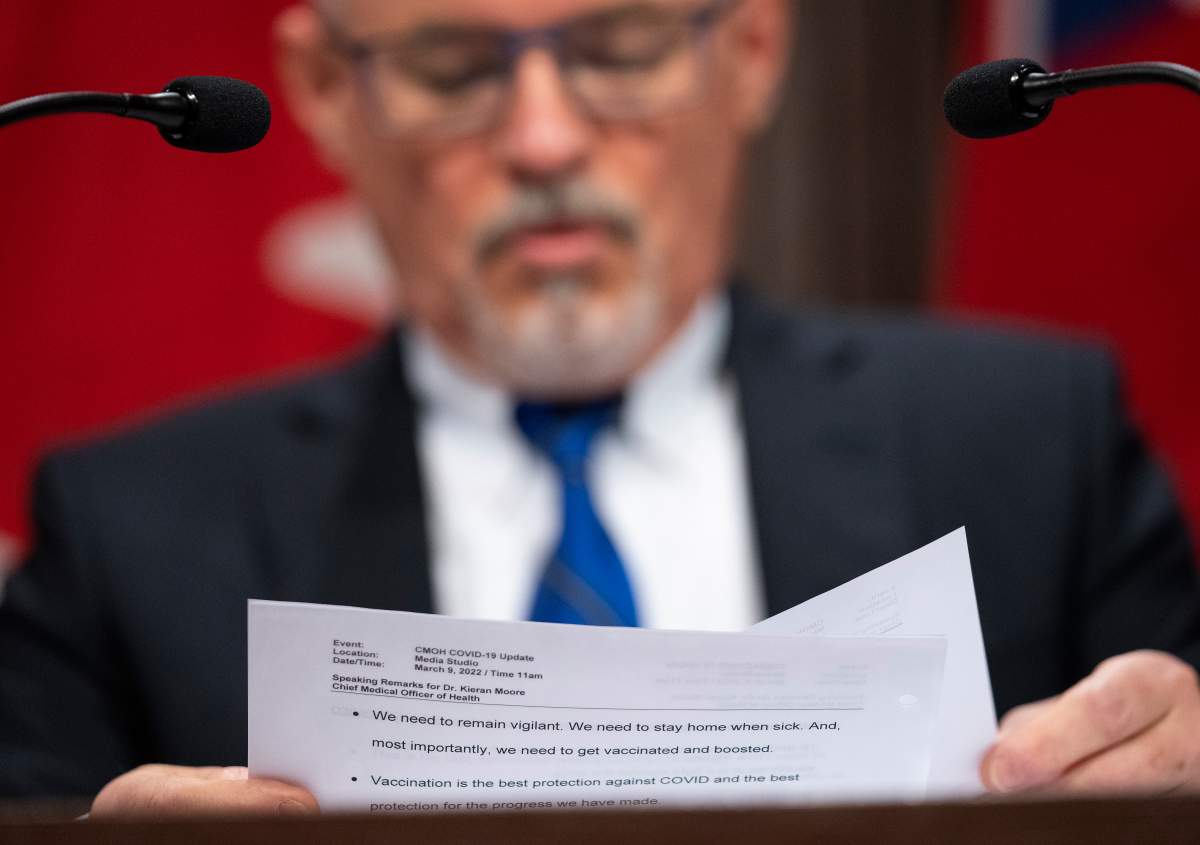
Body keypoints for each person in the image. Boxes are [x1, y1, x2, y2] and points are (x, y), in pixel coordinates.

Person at [2, 0, 1199, 817]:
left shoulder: (1037, 443)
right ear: (324, 86)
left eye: (621, 50)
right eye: (453, 68)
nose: (544, 137)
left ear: (750, 52)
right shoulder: (129, 528)